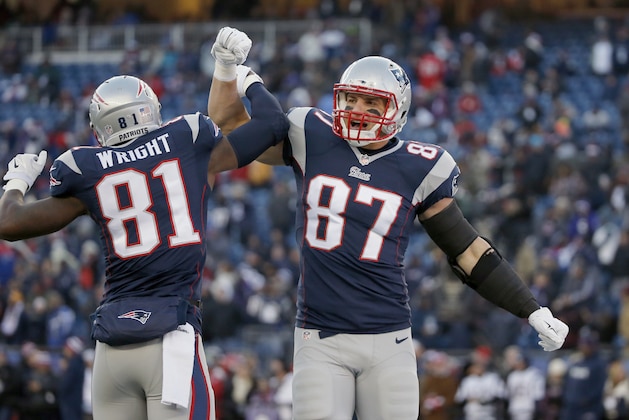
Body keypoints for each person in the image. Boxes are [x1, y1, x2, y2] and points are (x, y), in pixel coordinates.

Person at [208, 28, 569, 420]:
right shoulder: (311, 133)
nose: (357, 109)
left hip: (389, 338)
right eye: (350, 98)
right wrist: (227, 70)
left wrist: (530, 309)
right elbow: (231, 125)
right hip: (318, 336)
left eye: (370, 102)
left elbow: (466, 250)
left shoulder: (420, 165)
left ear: (396, 110)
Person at [0, 27, 287, 420]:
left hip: (111, 349)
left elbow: (9, 223)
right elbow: (273, 123)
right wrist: (241, 76)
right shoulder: (186, 141)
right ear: (150, 108)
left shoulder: (87, 170)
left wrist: (17, 180)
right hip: (170, 341)